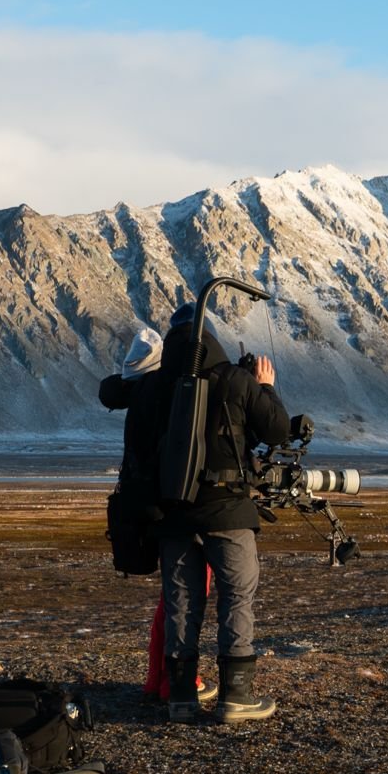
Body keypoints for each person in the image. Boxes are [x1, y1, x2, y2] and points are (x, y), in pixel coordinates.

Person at [133, 303, 292, 723]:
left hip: (174, 514)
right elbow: (277, 428)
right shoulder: (236, 380)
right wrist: (266, 387)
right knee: (237, 597)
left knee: (181, 602)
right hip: (228, 512)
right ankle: (236, 697)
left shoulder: (155, 386)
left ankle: (181, 697)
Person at [97, 329, 218, 704]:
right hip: (177, 509)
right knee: (184, 599)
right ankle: (176, 682)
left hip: (146, 506)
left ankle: (156, 680)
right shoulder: (168, 395)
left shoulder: (141, 395)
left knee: (172, 598)